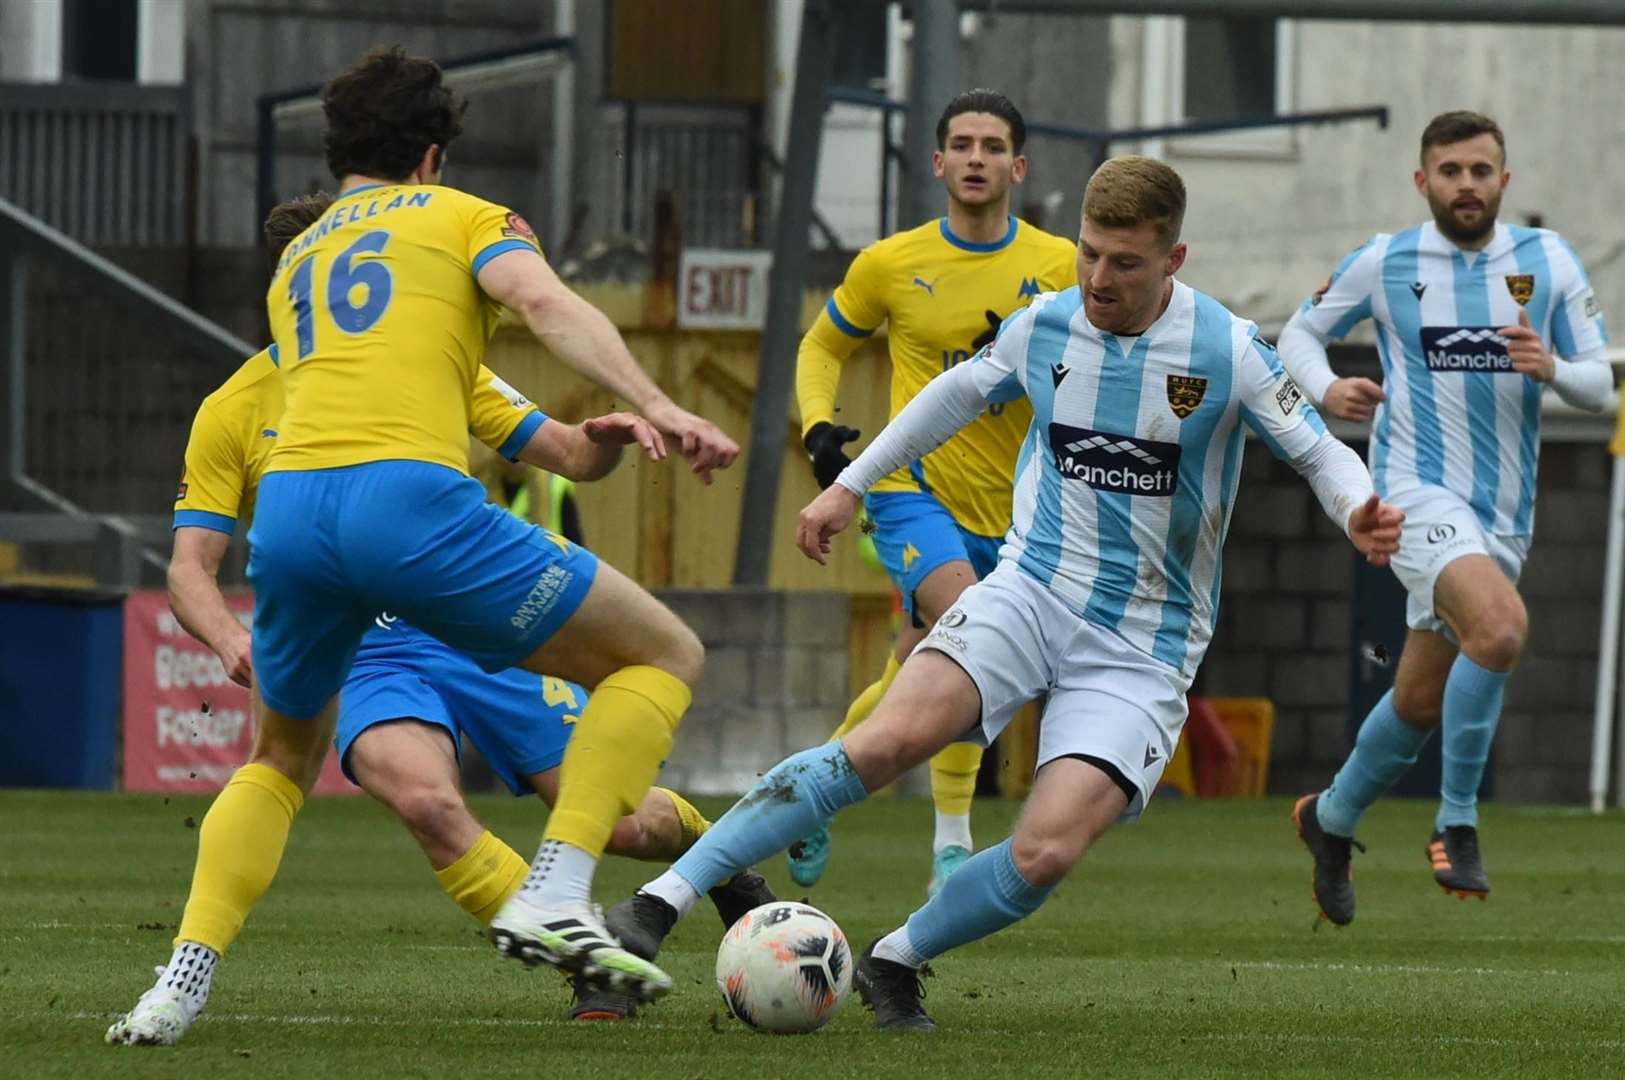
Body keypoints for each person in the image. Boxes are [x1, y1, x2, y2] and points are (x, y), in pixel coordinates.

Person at [602, 156, 1403, 1031]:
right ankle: (654, 906)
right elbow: (949, 397)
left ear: (1173, 259)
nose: (1098, 278)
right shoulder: (1045, 325)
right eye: (1089, 254)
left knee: (1046, 849)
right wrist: (849, 486)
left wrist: (1357, 506)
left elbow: (1319, 450)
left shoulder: (1230, 349)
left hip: (1145, 642)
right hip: (1028, 589)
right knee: (884, 741)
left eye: (1124, 263)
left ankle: (894, 958)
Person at [121, 45, 737, 1036]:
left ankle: (179, 983)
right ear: (433, 156)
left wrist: (588, 445)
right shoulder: (460, 219)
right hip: (405, 515)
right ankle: (558, 885)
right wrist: (655, 400)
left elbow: (532, 437)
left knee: (278, 758)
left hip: (292, 521)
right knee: (665, 653)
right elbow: (543, 302)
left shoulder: (299, 265)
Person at [1279, 111, 1611, 925]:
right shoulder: (1386, 260)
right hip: (1416, 493)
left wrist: (1554, 367)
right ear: (1421, 181)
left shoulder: (1547, 260)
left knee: (1420, 697)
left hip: (1504, 512)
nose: (1466, 184)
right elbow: (1296, 333)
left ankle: (1330, 818)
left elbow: (1602, 385)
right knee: (1498, 631)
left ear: (1505, 180)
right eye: (1450, 170)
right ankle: (1455, 819)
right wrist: (1326, 391)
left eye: (1480, 170)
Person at [791, 89, 1075, 895]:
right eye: (962, 143)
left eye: (993, 145)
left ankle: (810, 792)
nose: (977, 157)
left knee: (922, 666)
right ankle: (953, 840)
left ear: (1017, 166)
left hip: (1020, 509)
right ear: (939, 162)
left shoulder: (1057, 266)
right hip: (913, 491)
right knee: (967, 631)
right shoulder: (890, 263)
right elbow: (820, 346)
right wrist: (819, 427)